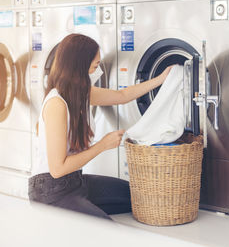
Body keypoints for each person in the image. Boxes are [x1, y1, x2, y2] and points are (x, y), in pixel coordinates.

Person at [28, 34, 172, 220]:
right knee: (103, 226)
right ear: (80, 65)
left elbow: (121, 96)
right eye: (96, 66)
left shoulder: (79, 93)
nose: (98, 71)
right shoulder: (57, 103)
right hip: (50, 191)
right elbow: (58, 169)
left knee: (139, 197)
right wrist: (102, 145)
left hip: (75, 181)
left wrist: (161, 78)